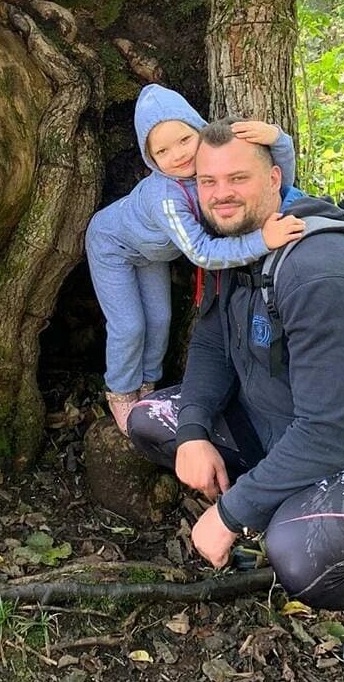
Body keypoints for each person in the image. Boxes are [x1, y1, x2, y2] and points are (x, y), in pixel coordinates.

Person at [128, 117, 344, 674]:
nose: (222, 194)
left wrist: (229, 513)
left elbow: (332, 433)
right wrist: (195, 430)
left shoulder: (321, 275)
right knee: (154, 420)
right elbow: (212, 343)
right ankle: (279, 511)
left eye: (238, 178)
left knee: (303, 559)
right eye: (208, 182)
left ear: (276, 178)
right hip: (284, 423)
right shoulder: (241, 246)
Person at [86, 85, 305, 434]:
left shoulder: (211, 164)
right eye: (162, 151)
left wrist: (279, 141)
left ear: (199, 129)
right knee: (129, 326)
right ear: (150, 160)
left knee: (159, 320)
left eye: (185, 139)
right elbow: (201, 251)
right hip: (113, 246)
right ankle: (121, 391)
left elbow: (275, 184)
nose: (177, 155)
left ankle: (147, 386)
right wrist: (262, 240)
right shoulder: (166, 196)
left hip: (152, 252)